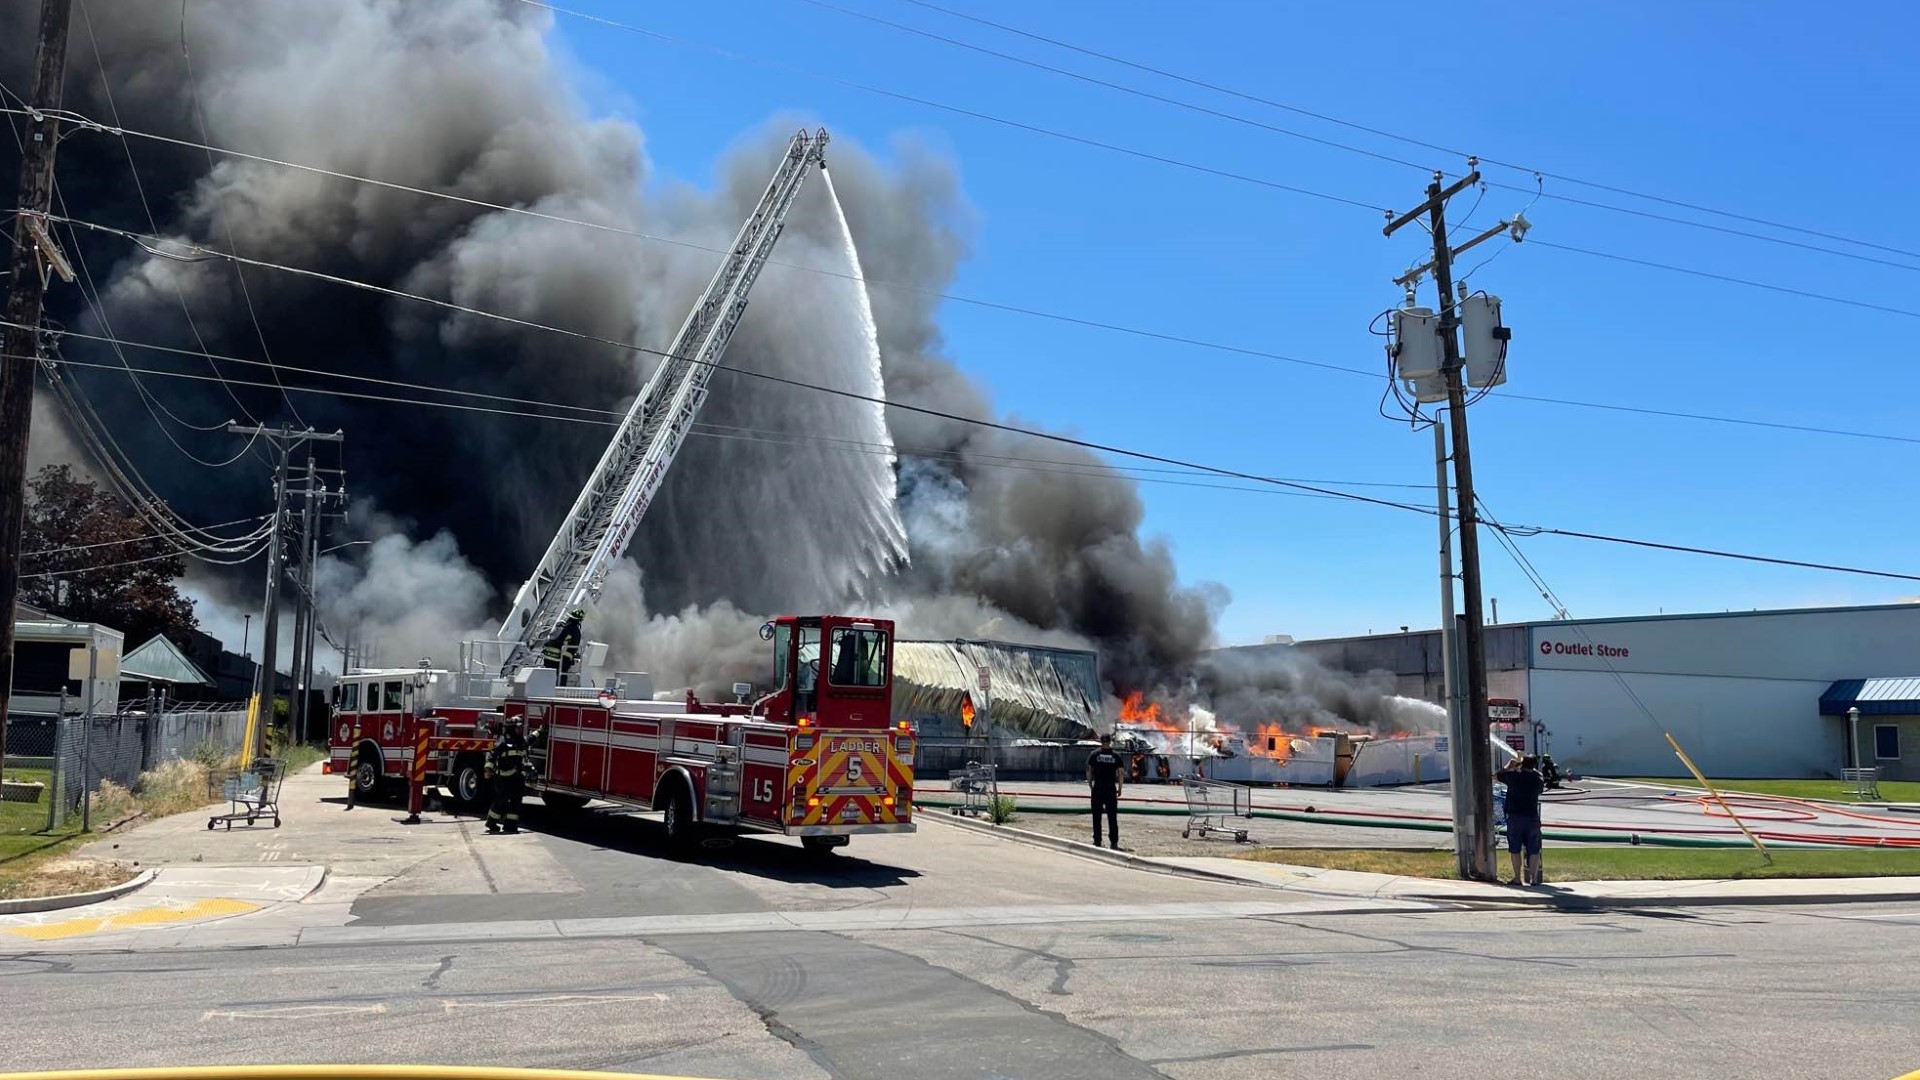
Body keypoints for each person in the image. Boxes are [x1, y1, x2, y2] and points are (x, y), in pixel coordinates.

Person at [1495, 754, 1546, 885]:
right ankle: (1534, 879)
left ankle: (1517, 878)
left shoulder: (1514, 776)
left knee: (1515, 849)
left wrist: (1510, 765)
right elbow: (1540, 784)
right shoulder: (1538, 778)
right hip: (1532, 817)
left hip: (1515, 817)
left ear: (1522, 764)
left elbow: (1498, 775)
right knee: (1534, 849)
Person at [485, 717, 528, 835]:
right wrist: (488, 769)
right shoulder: (503, 741)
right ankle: (491, 823)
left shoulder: (520, 740)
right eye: (518, 727)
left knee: (516, 800)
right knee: (501, 800)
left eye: (520, 727)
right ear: (511, 728)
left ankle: (510, 825)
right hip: (503, 777)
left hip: (516, 777)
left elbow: (529, 739)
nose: (520, 729)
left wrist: (539, 731)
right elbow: (493, 754)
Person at [1086, 732, 1125, 850]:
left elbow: (1088, 770)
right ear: (1110, 742)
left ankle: (1097, 840)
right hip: (1110, 789)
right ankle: (1114, 842)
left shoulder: (1094, 754)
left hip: (1098, 788)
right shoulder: (1116, 756)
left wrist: (1090, 784)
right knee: (1112, 817)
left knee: (1096, 816)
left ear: (1101, 741)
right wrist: (1120, 788)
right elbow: (1121, 773)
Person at [541, 608, 585, 675]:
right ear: (580, 620)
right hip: (560, 659)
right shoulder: (576, 631)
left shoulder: (562, 625)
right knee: (561, 678)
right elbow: (574, 647)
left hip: (548, 655)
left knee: (546, 676)